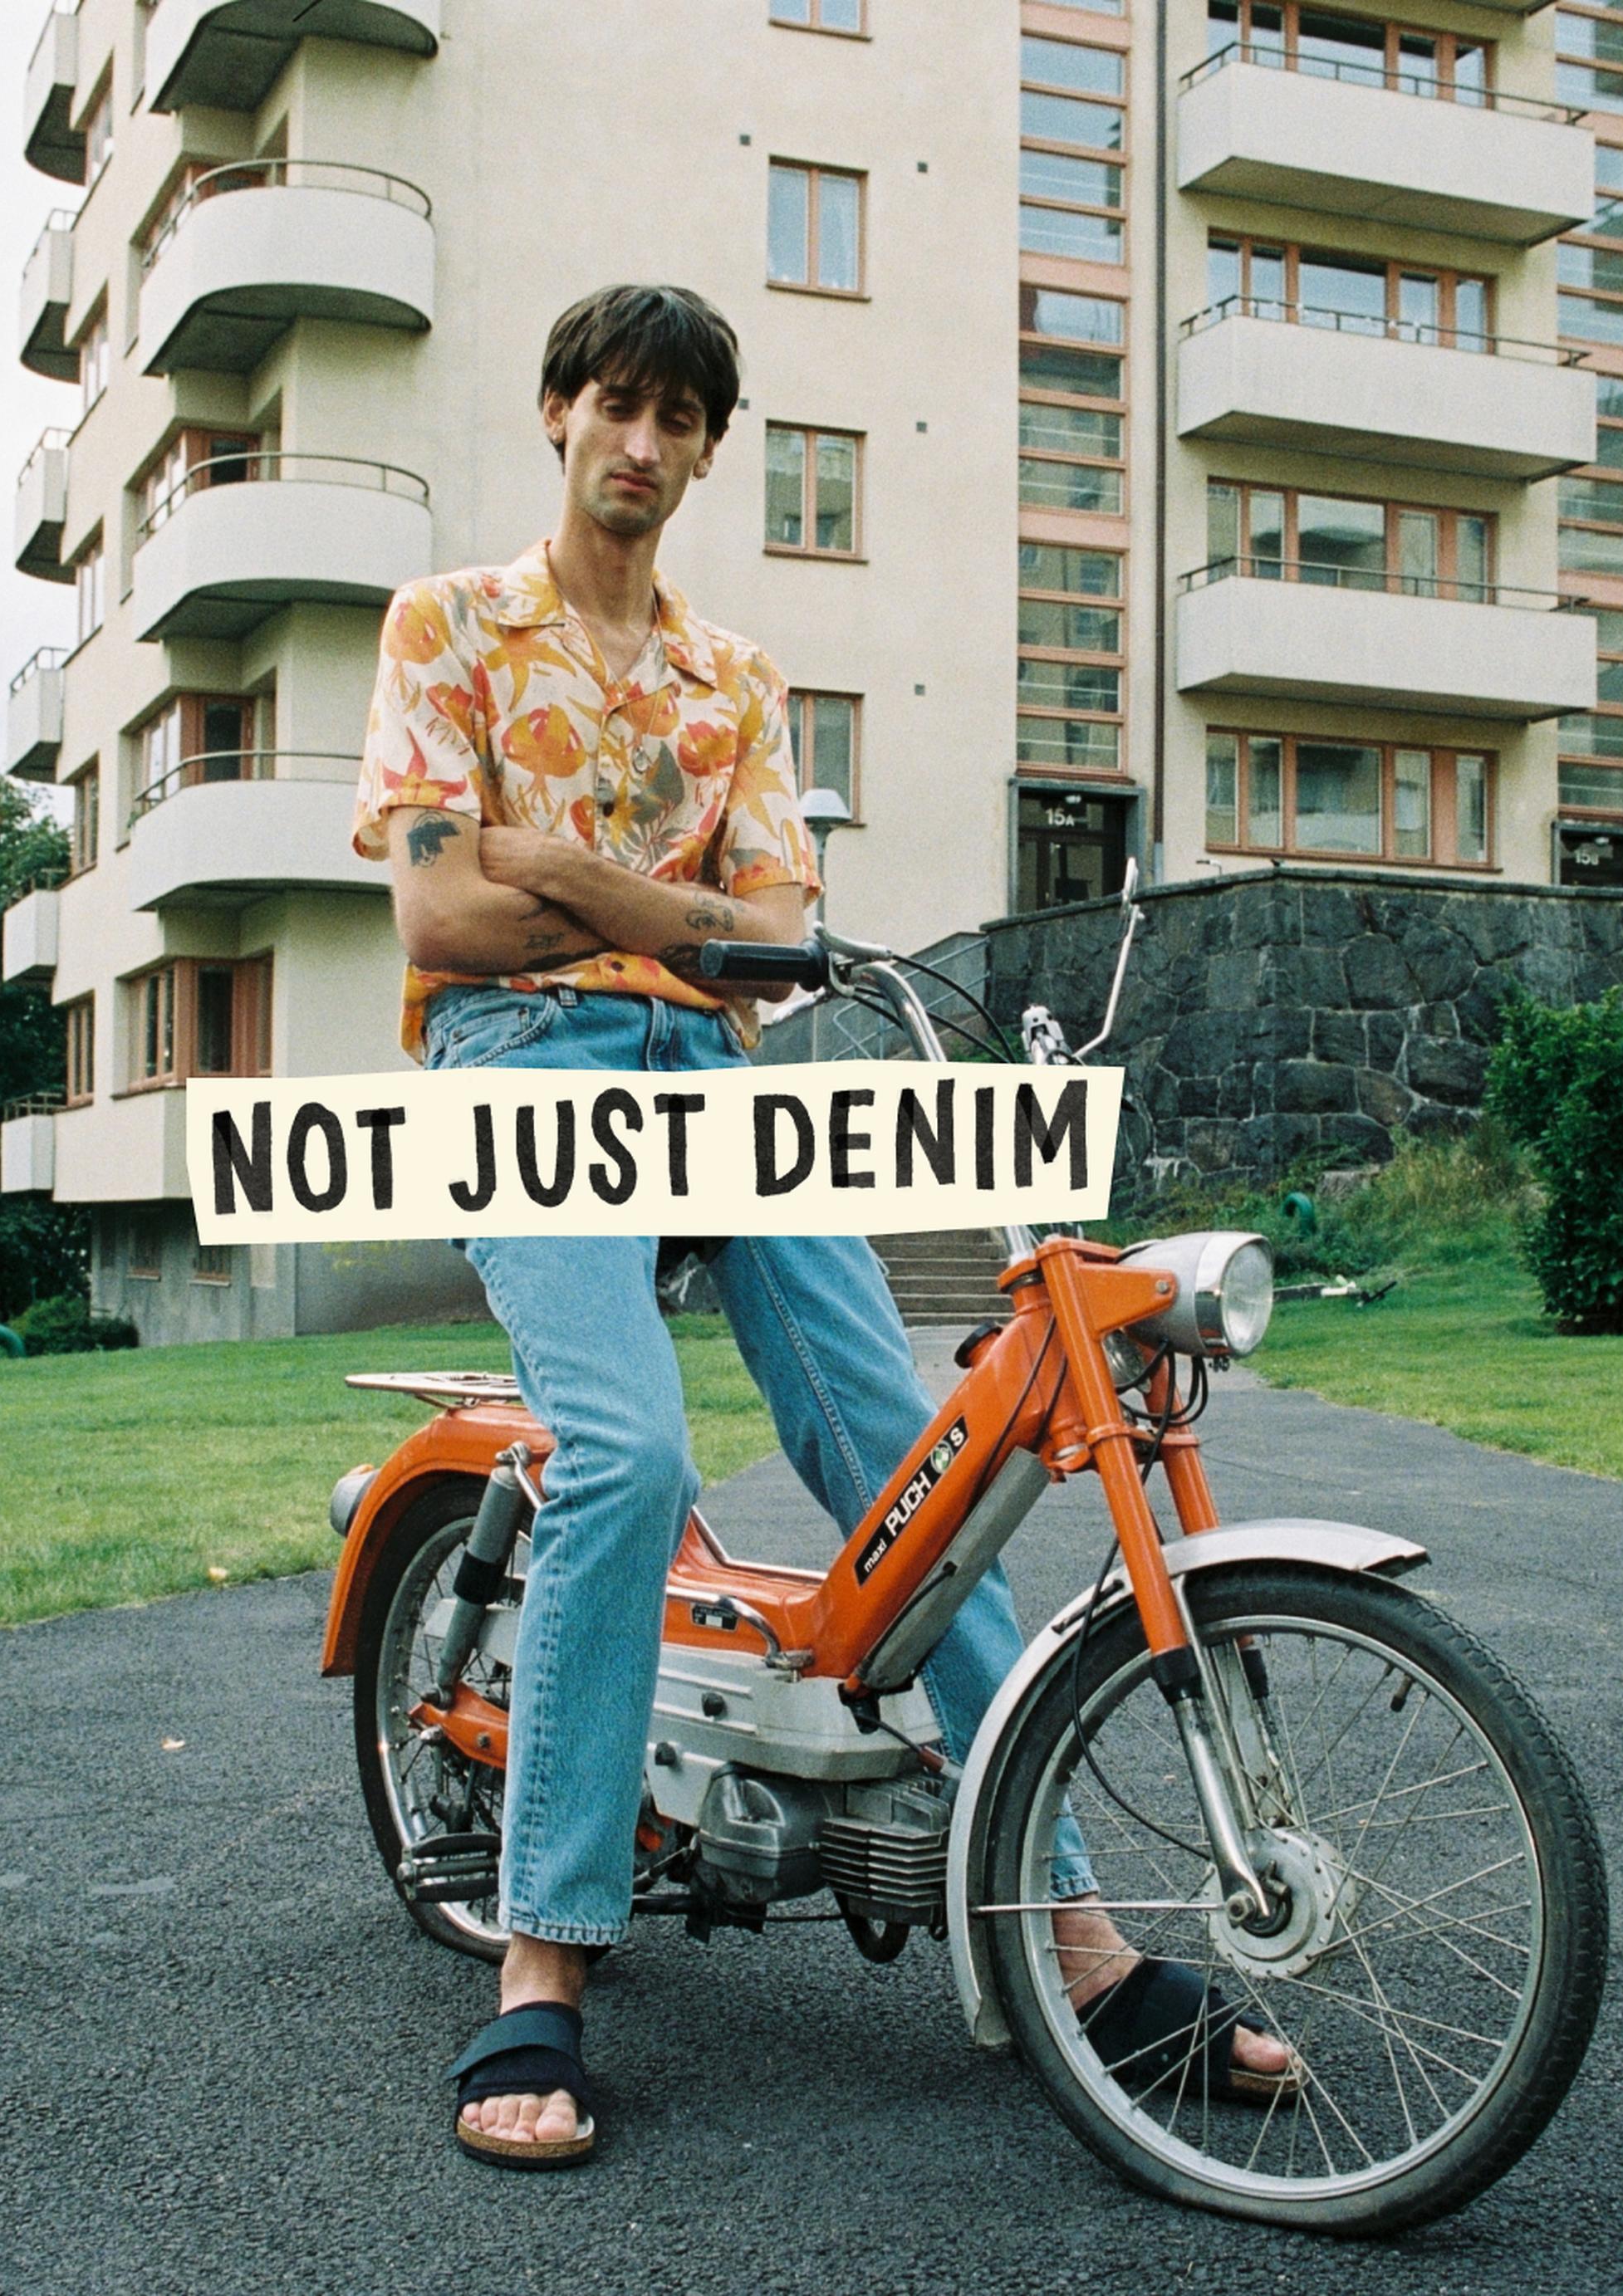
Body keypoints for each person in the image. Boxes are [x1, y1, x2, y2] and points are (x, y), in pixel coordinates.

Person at [351, 283, 1292, 2168]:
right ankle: (540, 1971)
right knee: (623, 1453)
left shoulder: (738, 677)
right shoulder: (448, 623)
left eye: (679, 418)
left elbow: (771, 938)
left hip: (714, 1073)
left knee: (913, 1445)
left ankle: (1077, 1938)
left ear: (709, 448)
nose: (642, 442)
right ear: (560, 412)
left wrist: (561, 863)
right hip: (519, 1064)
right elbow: (443, 928)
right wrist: (649, 908)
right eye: (614, 403)